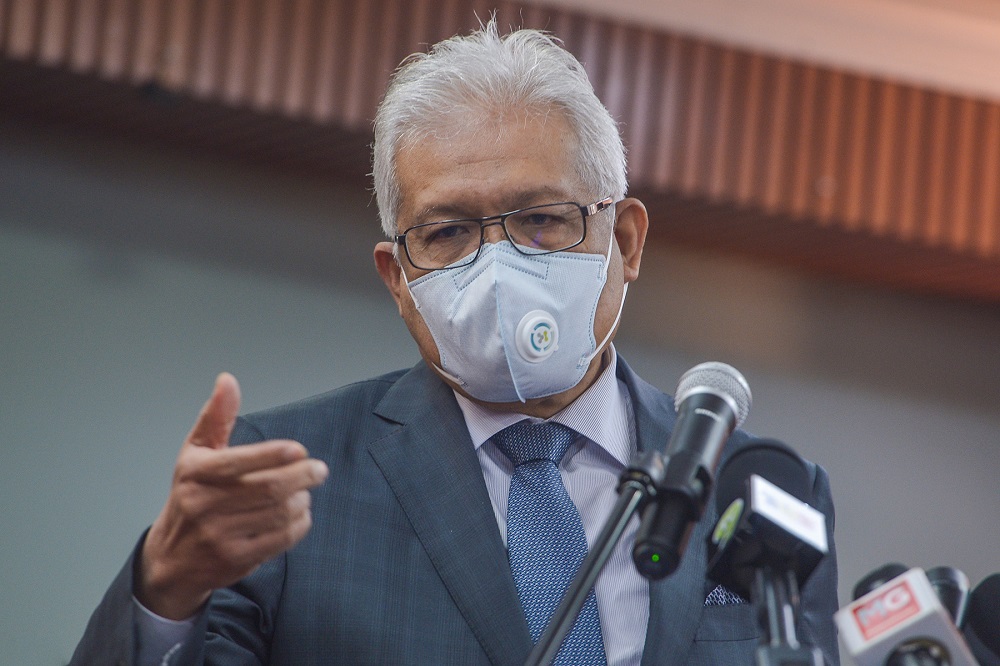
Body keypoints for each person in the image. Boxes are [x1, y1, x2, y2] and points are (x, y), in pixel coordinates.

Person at [71, 20, 839, 665]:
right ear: (398, 278)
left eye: (542, 218)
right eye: (447, 232)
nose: (499, 266)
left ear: (625, 240)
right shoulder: (289, 483)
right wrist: (166, 590)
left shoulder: (761, 492)